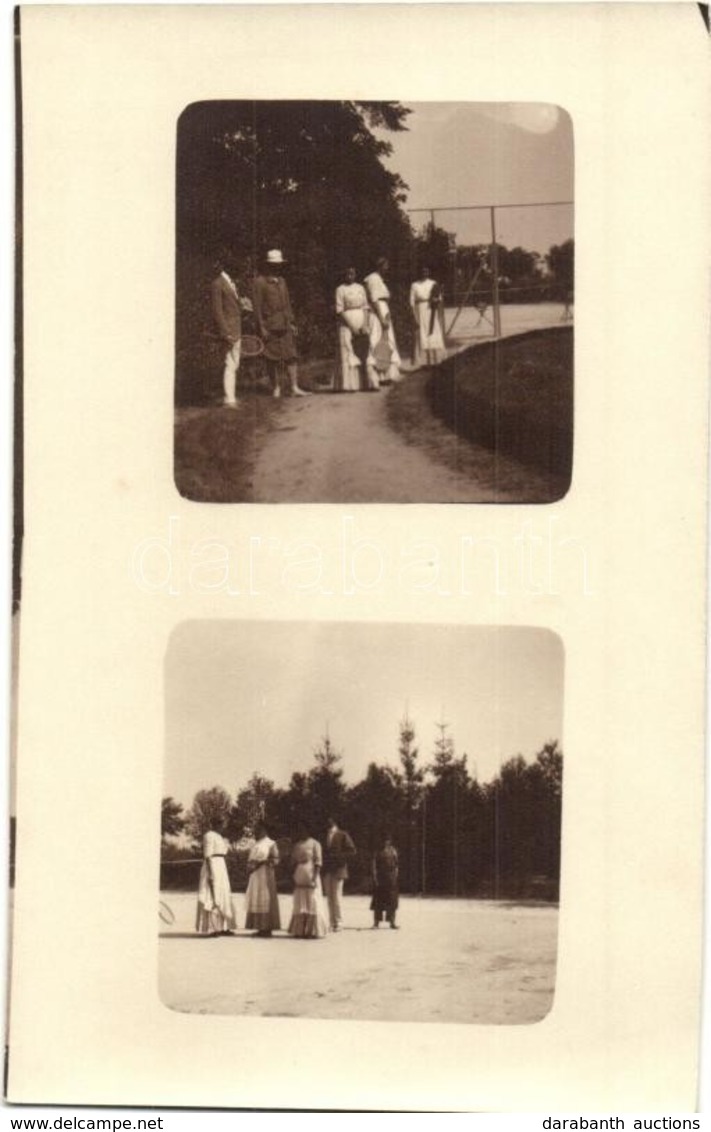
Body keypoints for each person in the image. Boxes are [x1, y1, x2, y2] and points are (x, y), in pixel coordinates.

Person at [252, 249, 309, 399]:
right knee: (272, 358)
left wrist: (291, 322)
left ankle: (294, 387)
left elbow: (287, 304)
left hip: (285, 324)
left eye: (279, 265)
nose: (277, 267)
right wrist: (261, 327)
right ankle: (276, 388)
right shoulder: (260, 282)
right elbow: (256, 307)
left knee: (291, 356)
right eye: (274, 264)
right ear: (268, 265)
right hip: (270, 325)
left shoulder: (282, 281)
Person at [211, 257, 251, 409]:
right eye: (237, 266)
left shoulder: (232, 283)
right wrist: (224, 332)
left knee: (234, 363)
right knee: (230, 362)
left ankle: (231, 398)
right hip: (228, 330)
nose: (239, 270)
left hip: (236, 328)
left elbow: (232, 308)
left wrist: (244, 306)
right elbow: (217, 311)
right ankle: (229, 400)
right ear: (229, 267)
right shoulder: (218, 283)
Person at [333, 267, 375, 392]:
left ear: (355, 274)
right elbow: (339, 311)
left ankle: (367, 383)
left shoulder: (360, 288)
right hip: (346, 323)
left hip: (361, 321)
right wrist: (351, 327)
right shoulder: (340, 289)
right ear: (344, 275)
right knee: (347, 350)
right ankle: (349, 384)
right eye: (347, 274)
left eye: (352, 274)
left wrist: (365, 323)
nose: (350, 276)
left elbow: (366, 306)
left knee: (365, 350)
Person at [363, 258, 401, 386]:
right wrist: (381, 318)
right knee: (376, 340)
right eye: (386, 266)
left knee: (387, 341)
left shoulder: (380, 279)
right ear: (380, 266)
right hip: (377, 312)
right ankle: (375, 377)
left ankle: (386, 374)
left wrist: (386, 315)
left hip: (384, 310)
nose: (387, 268)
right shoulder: (373, 278)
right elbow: (374, 300)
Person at [195, 824, 237, 936]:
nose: (222, 826)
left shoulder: (221, 837)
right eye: (219, 823)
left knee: (223, 895)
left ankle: (222, 927)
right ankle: (212, 928)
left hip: (221, 866)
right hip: (212, 865)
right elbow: (208, 855)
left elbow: (223, 853)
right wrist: (211, 873)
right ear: (214, 823)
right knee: (212, 895)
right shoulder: (209, 835)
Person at [288, 821, 328, 939]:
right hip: (299, 875)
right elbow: (293, 862)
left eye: (304, 829)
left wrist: (314, 878)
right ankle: (300, 930)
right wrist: (292, 873)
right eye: (300, 830)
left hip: (311, 875)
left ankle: (313, 931)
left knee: (312, 902)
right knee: (300, 902)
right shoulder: (297, 845)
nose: (302, 832)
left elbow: (318, 862)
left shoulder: (315, 844)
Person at [244, 820, 281, 937]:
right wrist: (251, 866)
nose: (256, 831)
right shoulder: (255, 844)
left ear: (264, 830)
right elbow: (250, 860)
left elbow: (276, 860)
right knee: (256, 899)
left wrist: (263, 862)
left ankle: (267, 928)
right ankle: (260, 927)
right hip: (255, 876)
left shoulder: (271, 843)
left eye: (258, 829)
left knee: (265, 899)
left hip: (266, 875)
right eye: (256, 829)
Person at [321, 817, 356, 932]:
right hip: (327, 870)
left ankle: (339, 922)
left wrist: (339, 859)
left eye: (330, 819)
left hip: (339, 869)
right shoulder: (323, 835)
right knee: (329, 897)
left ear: (334, 821)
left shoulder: (343, 834)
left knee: (336, 897)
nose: (328, 821)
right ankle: (332, 923)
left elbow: (352, 851)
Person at [410, 266, 446, 367]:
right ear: (419, 272)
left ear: (429, 272)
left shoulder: (433, 283)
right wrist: (414, 315)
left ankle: (436, 360)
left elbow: (439, 298)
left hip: (431, 310)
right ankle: (425, 362)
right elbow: (411, 301)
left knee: (433, 332)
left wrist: (436, 301)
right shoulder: (415, 285)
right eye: (422, 271)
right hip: (420, 310)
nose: (424, 273)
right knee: (422, 333)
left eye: (426, 271)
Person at [371, 833, 400, 929]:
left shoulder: (393, 851)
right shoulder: (377, 852)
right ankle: (376, 923)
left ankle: (392, 922)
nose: (385, 842)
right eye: (384, 840)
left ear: (390, 841)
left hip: (391, 879)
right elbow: (374, 865)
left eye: (387, 840)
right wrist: (375, 878)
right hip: (380, 878)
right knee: (378, 901)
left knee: (392, 901)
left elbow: (396, 865)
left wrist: (395, 877)